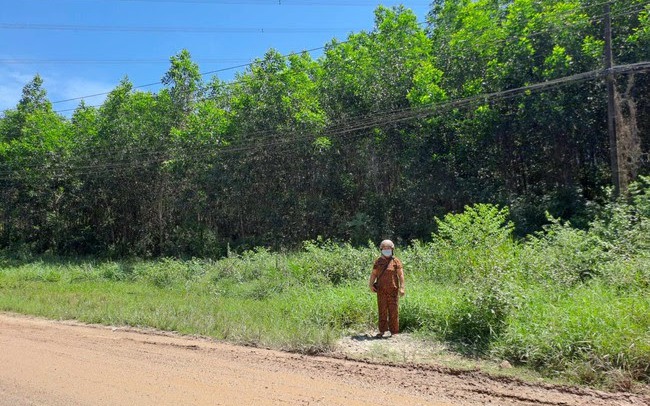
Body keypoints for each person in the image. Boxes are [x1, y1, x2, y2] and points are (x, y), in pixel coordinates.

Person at [368, 239, 405, 338]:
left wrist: (402, 287)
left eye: (388, 248)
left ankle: (394, 332)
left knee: (394, 311)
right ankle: (382, 331)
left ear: (392, 249)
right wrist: (371, 285)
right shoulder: (378, 261)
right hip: (381, 291)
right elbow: (374, 274)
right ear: (381, 249)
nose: (386, 250)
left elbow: (400, 275)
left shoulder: (396, 261)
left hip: (393, 290)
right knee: (382, 311)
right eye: (384, 248)